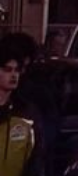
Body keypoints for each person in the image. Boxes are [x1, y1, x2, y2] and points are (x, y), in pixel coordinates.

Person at [0, 41, 42, 176]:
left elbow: (37, 155)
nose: (13, 75)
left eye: (17, 70)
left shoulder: (27, 113)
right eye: (7, 69)